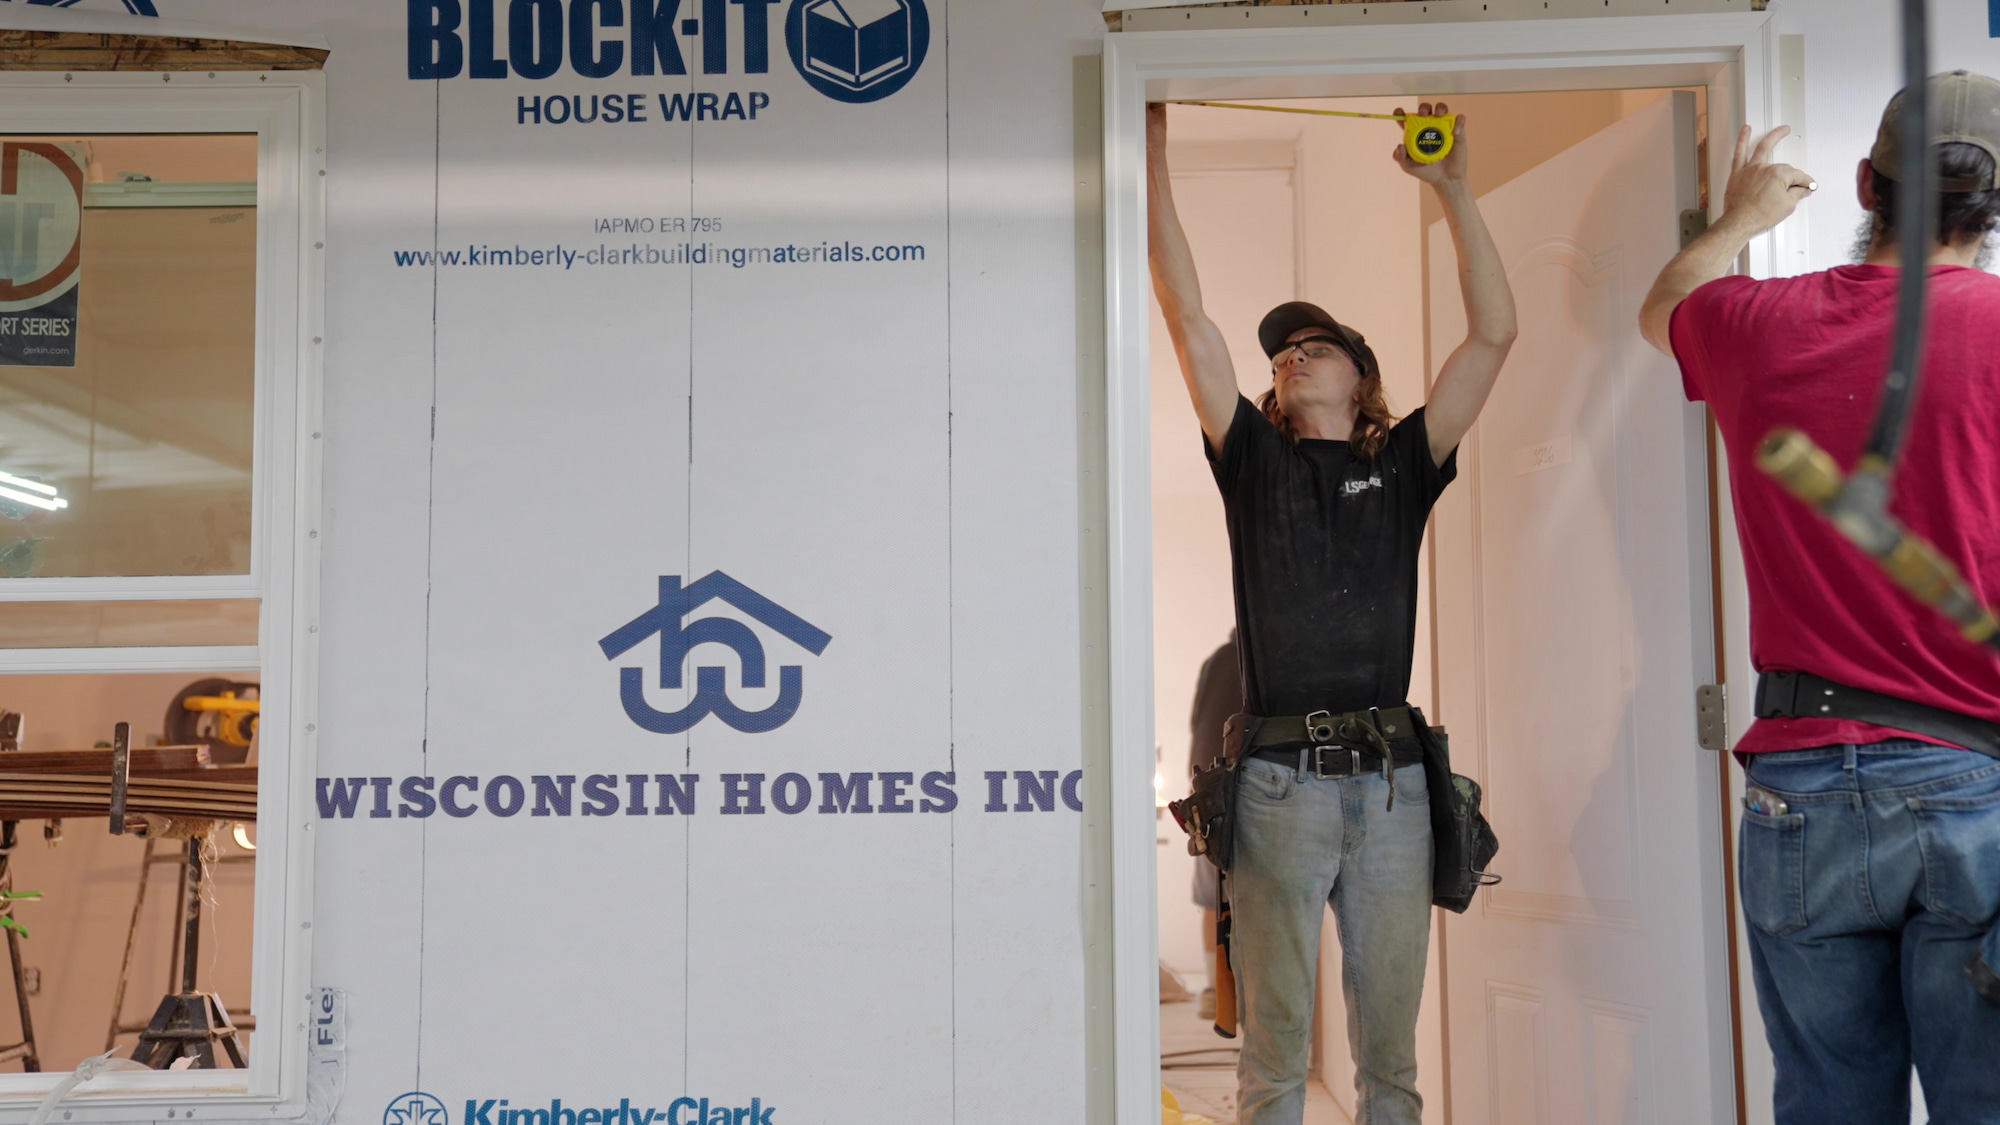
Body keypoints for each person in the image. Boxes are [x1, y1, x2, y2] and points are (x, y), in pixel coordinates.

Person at [1639, 70, 2000, 1125]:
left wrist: (1735, 221)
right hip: (1966, 780)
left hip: (1799, 791)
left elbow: (1661, 306)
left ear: (1861, 184)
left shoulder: (1750, 323)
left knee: (1828, 1108)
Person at [1147, 101, 1515, 1125]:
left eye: (1315, 345)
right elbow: (1187, 317)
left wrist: (1448, 190)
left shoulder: (1401, 464)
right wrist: (1153, 150)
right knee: (1272, 1056)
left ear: (1363, 378)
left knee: (1388, 1064)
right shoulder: (1252, 464)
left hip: (1395, 788)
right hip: (1274, 788)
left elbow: (1494, 333)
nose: (1290, 354)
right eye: (1281, 351)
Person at [1188, 631, 1239, 1021]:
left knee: (1212, 896)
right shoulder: (1266, 659)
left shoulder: (1214, 660)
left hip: (1205, 786)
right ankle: (1235, 993)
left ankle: (1213, 991)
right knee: (1243, 895)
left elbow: (1196, 721)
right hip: (1245, 784)